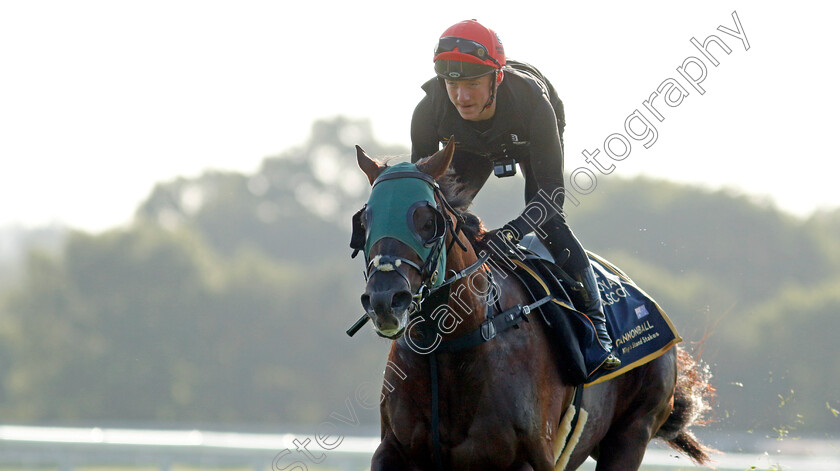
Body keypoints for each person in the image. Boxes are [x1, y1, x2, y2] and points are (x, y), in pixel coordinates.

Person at [410, 19, 621, 370]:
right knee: (439, 217)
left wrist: (511, 233)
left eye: (473, 84)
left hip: (523, 138)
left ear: (496, 77)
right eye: (452, 84)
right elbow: (423, 194)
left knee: (549, 223)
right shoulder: (428, 109)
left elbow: (552, 196)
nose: (461, 97)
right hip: (468, 147)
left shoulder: (533, 103)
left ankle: (597, 332)